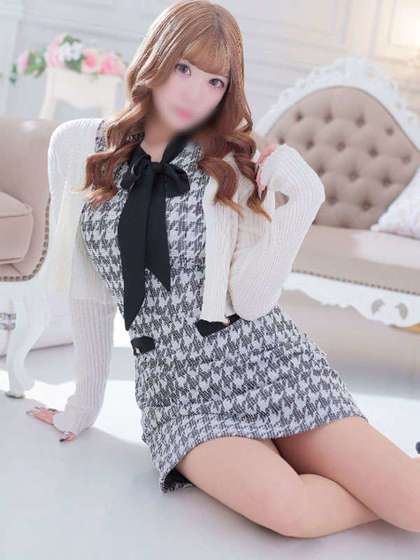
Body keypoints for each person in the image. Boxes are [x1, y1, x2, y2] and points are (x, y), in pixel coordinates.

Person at [27, 0, 420, 539]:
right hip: (179, 390)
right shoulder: (76, 145)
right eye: (184, 68)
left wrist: (303, 200)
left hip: (267, 361)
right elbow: (88, 291)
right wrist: (83, 405)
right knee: (293, 514)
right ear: (155, 58)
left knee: (414, 508)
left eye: (215, 81)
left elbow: (252, 301)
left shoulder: (232, 163)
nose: (195, 92)